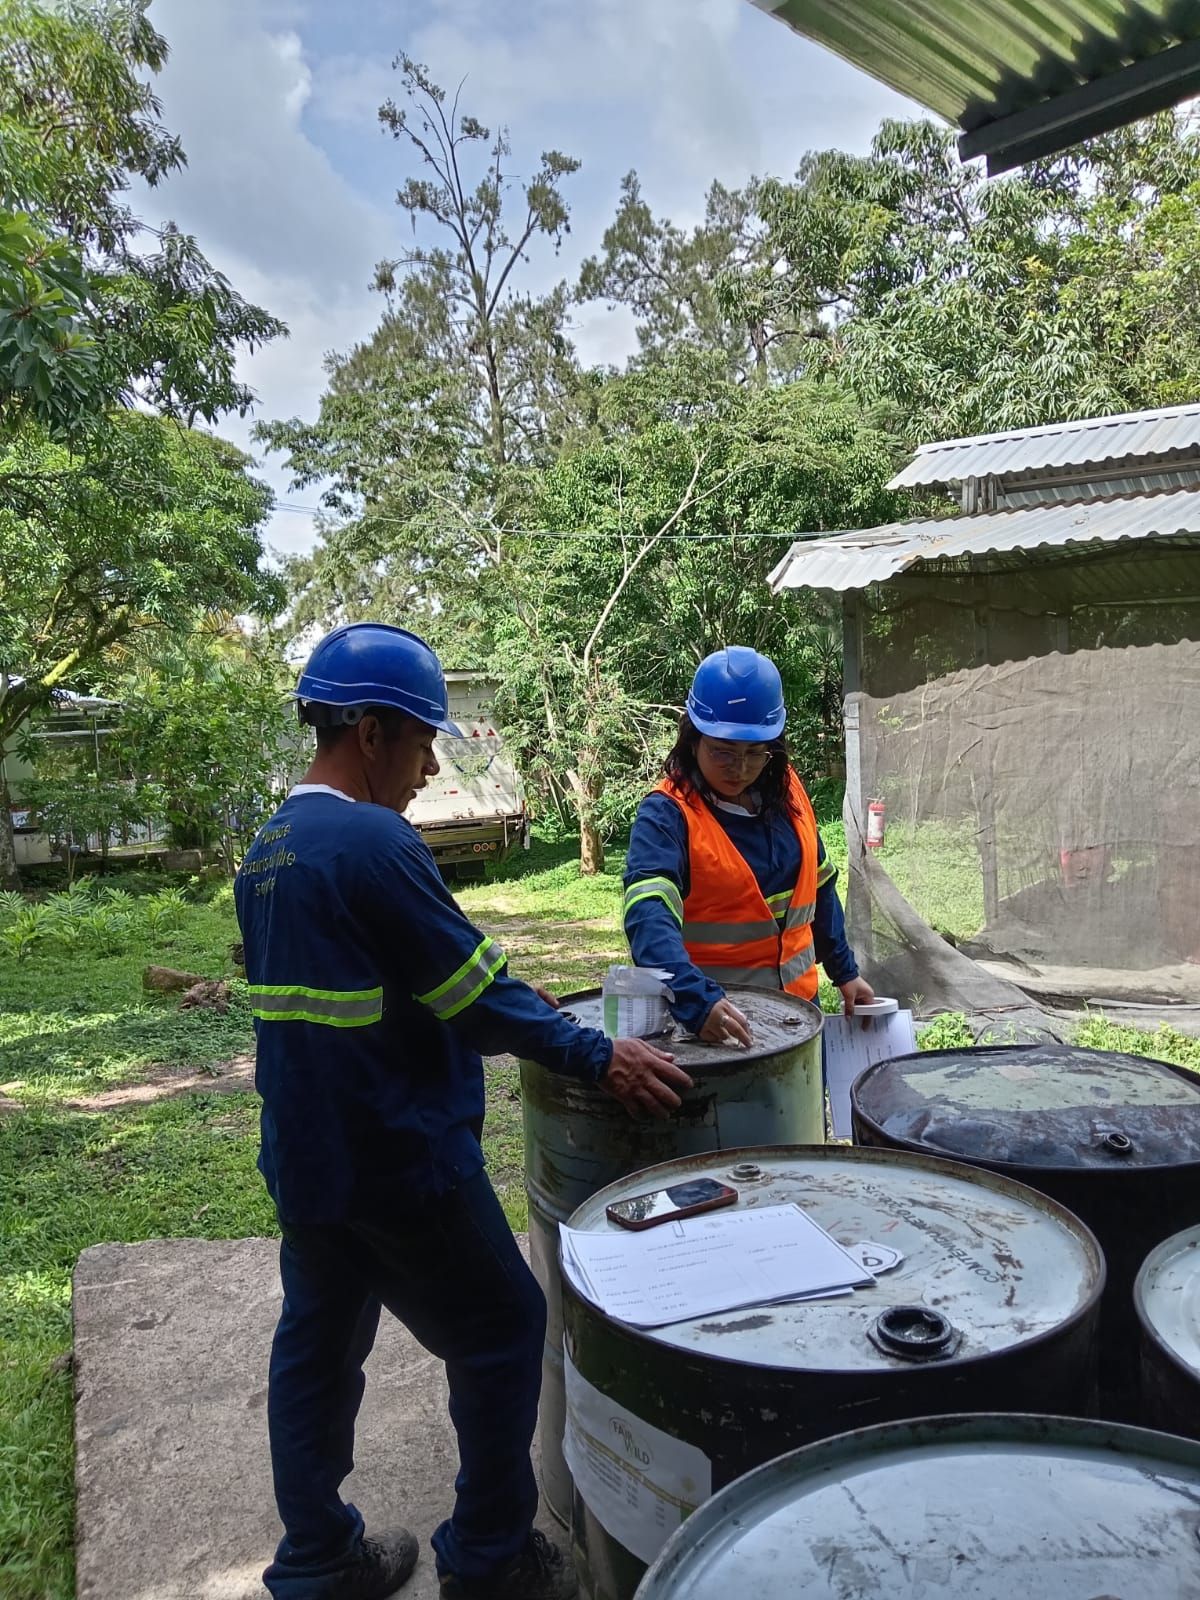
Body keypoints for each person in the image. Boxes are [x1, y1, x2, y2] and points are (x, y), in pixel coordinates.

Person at [235, 622, 692, 1600]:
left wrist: (523, 1013)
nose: (431, 768)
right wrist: (598, 1052)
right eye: (420, 742)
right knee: (503, 1327)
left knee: (316, 1350)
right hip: (397, 1160)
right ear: (369, 734)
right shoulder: (373, 839)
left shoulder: (268, 848)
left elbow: (372, 992)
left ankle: (317, 1561)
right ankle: (489, 1558)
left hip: (307, 1160)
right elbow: (474, 997)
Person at [622, 646, 872, 1047]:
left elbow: (819, 888)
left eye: (755, 753)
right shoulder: (667, 816)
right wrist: (695, 1000)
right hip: (718, 1027)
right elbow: (648, 917)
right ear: (693, 740)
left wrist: (845, 972)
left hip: (797, 1017)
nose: (740, 769)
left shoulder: (787, 791)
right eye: (723, 752)